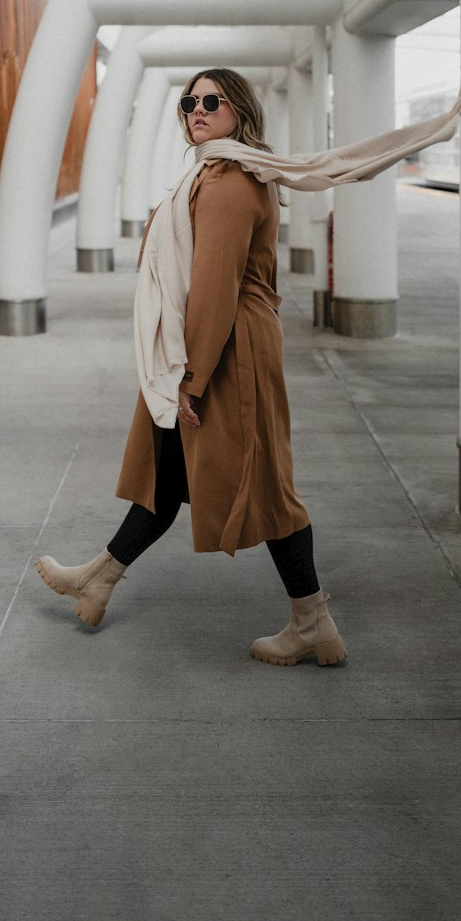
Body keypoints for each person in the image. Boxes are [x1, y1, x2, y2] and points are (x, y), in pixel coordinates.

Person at [37, 67, 347, 667]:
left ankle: (313, 621)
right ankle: (99, 577)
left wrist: (190, 377)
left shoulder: (231, 182)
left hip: (229, 350)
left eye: (212, 101)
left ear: (241, 111)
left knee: (265, 485)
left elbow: (214, 288)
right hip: (210, 343)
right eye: (189, 102)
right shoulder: (216, 172)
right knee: (167, 466)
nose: (196, 110)